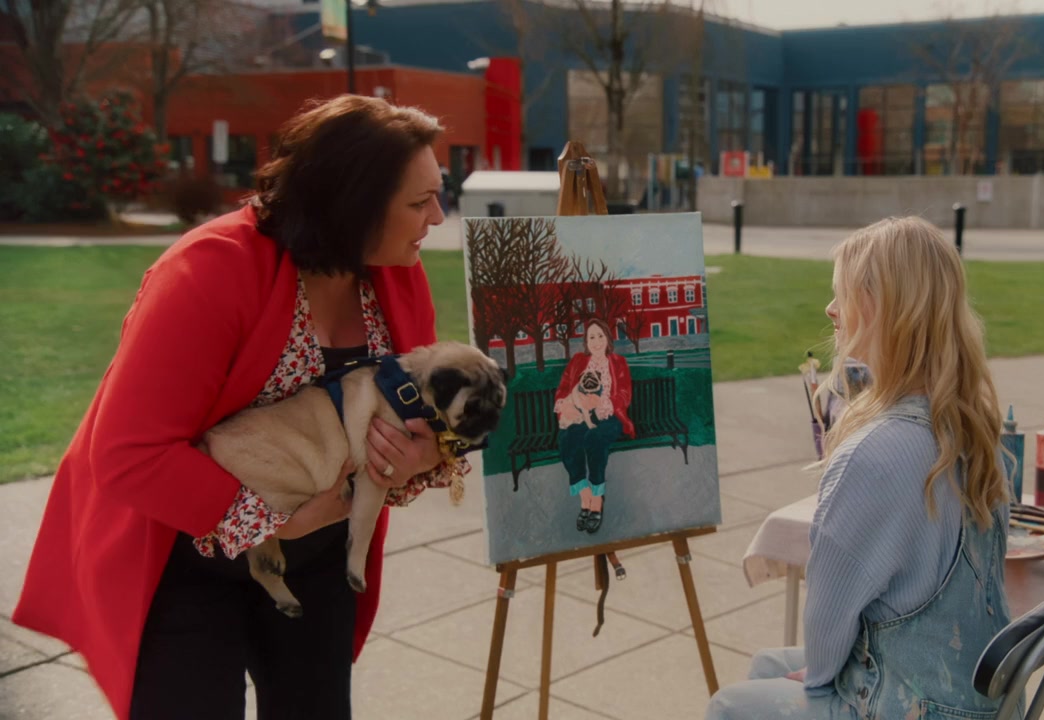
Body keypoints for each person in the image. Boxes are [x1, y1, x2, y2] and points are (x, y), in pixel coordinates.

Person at [12, 95, 466, 720]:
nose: (438, 217)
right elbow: (127, 453)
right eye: (420, 203)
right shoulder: (209, 269)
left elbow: (412, 410)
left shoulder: (394, 270)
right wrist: (270, 522)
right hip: (186, 554)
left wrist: (424, 453)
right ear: (352, 202)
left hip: (319, 551)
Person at [706, 217, 1012, 720]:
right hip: (972, 695)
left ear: (881, 307)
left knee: (728, 706)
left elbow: (827, 621)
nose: (831, 309)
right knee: (767, 666)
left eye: (842, 295)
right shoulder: (969, 427)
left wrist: (821, 678)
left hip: (916, 705)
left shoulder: (875, 453)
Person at [553, 317, 634, 534]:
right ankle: (585, 496)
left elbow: (624, 394)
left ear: (608, 338)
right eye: (591, 337)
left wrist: (606, 403)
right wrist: (564, 406)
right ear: (586, 342)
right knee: (567, 439)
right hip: (581, 416)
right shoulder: (578, 361)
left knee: (594, 439)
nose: (596, 341)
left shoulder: (618, 362)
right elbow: (563, 389)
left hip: (609, 417)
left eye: (600, 336)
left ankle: (596, 500)